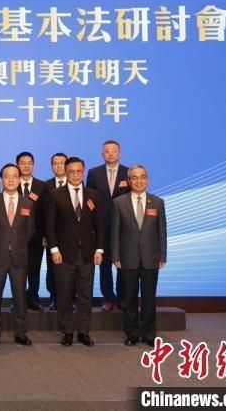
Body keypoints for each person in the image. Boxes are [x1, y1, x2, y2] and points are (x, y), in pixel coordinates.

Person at [47, 157, 104, 347]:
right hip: (63, 254)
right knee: (64, 295)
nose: (75, 175)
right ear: (66, 172)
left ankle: (83, 332)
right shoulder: (55, 194)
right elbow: (50, 226)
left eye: (79, 171)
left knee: (86, 295)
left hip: (87, 254)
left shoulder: (93, 194)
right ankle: (67, 332)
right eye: (71, 171)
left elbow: (100, 225)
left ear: (84, 171)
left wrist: (99, 249)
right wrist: (54, 249)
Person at [111, 165, 167, 347]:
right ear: (129, 181)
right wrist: (116, 256)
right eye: (134, 177)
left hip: (151, 257)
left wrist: (162, 255)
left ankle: (149, 334)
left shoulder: (158, 202)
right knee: (129, 298)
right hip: (128, 257)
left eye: (142, 177)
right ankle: (132, 333)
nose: (138, 181)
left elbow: (162, 231)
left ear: (147, 179)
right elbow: (115, 232)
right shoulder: (119, 202)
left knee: (149, 298)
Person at [0, 164, 35, 346]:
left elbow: (30, 231)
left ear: (20, 179)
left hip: (19, 258)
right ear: (2, 179)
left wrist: (17, 245)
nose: (11, 179)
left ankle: (20, 333)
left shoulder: (28, 203)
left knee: (20, 298)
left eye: (15, 176)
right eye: (7, 176)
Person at [86, 140, 130, 312]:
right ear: (102, 153)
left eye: (114, 150)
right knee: (104, 266)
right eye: (107, 151)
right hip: (101, 226)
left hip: (124, 227)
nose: (110, 153)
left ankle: (122, 298)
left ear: (120, 153)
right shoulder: (94, 173)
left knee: (122, 265)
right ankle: (108, 298)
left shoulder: (128, 172)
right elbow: (88, 198)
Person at [16, 151, 49, 311]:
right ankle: (19, 301)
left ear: (33, 165)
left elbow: (46, 213)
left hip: (37, 236)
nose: (26, 166)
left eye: (29, 163)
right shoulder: (11, 183)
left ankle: (33, 298)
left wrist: (45, 235)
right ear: (18, 165)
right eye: (23, 163)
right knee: (18, 271)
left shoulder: (42, 186)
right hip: (16, 237)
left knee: (34, 270)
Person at [44, 152, 68, 310]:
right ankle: (54, 298)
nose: (59, 166)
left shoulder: (76, 183)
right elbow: (43, 213)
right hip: (52, 236)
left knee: (71, 269)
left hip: (72, 236)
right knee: (52, 269)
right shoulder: (45, 185)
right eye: (55, 163)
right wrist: (45, 235)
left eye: (62, 163)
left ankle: (70, 299)